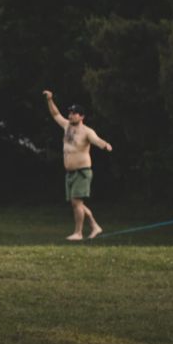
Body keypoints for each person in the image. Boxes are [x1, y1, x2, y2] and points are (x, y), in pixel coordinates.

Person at [44, 90, 113, 240]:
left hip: (82, 172)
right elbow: (56, 114)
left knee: (76, 203)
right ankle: (95, 226)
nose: (71, 115)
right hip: (70, 173)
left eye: (74, 113)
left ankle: (78, 233)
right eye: (70, 113)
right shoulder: (66, 126)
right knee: (77, 204)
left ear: (81, 116)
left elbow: (97, 140)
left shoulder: (87, 131)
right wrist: (50, 100)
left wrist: (105, 145)